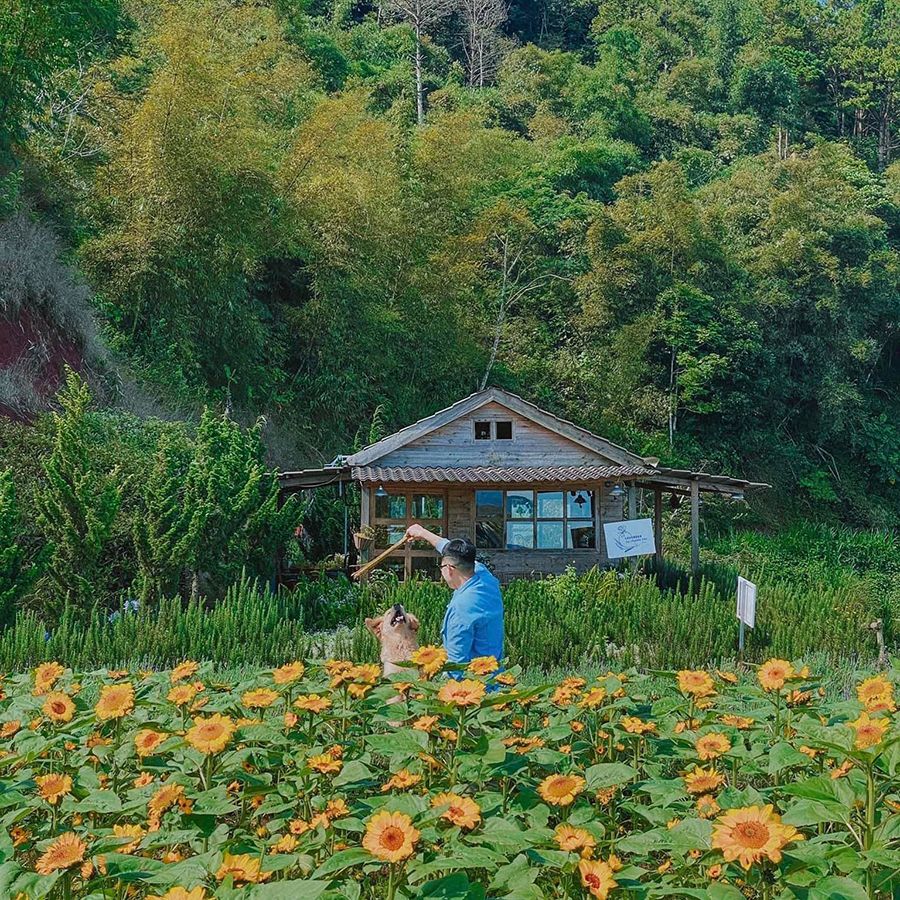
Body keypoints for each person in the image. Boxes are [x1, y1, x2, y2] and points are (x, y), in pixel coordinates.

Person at [404, 524, 504, 668]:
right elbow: (450, 550)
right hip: (496, 676)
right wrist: (422, 532)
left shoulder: (461, 609)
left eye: (442, 567)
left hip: (476, 684)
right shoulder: (485, 578)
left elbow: (456, 663)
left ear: (449, 569)